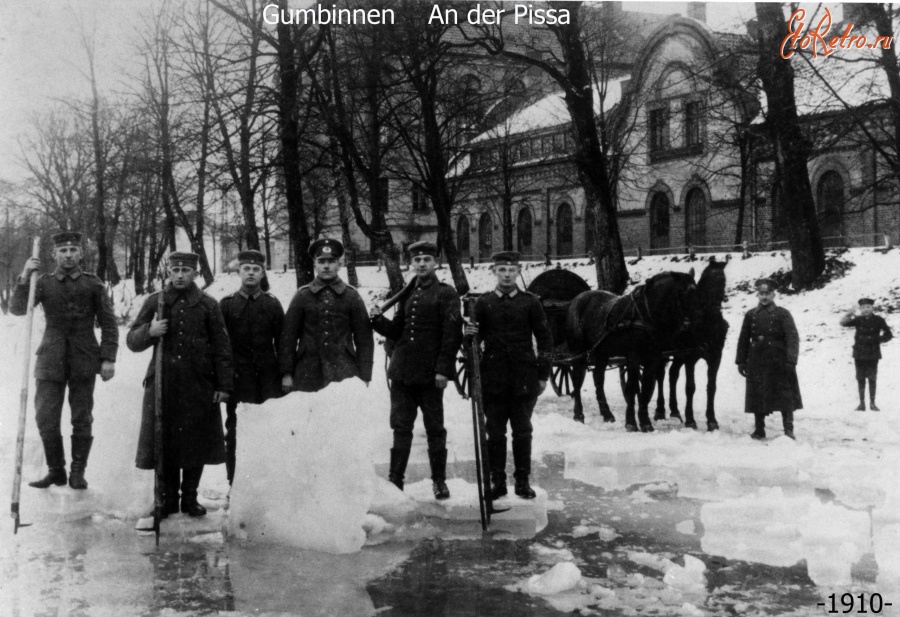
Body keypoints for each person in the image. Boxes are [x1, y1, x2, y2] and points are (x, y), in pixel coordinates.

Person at [127, 252, 233, 517]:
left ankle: (189, 498)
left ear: (195, 273)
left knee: (195, 441)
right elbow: (131, 340)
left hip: (198, 385)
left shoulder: (208, 305)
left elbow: (222, 348)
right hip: (163, 384)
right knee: (165, 441)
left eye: (186, 270)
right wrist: (149, 332)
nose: (180, 275)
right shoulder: (156, 302)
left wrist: (223, 385)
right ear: (169, 272)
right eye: (175, 270)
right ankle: (166, 500)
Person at [10, 231, 118, 490]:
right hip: (50, 356)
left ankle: (77, 472)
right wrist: (25, 277)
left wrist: (108, 359)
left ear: (80, 253)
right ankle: (55, 470)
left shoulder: (93, 284)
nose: (68, 255)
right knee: (45, 416)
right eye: (62, 251)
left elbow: (108, 323)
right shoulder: (43, 282)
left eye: (72, 251)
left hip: (83, 356)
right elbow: (17, 308)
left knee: (82, 417)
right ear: (53, 254)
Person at [370, 241, 461, 500]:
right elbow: (397, 330)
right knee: (401, 428)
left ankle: (439, 482)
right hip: (402, 374)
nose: (421, 264)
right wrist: (378, 320)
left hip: (430, 376)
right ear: (412, 264)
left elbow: (451, 336)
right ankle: (395, 480)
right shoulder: (408, 293)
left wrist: (443, 370)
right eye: (417, 260)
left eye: (427, 260)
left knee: (435, 429)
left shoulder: (446, 293)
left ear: (435, 263)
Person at [465, 251, 553, 499]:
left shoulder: (530, 302)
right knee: (495, 432)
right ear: (493, 272)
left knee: (523, 431)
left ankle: (522, 481)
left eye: (511, 270)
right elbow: (472, 344)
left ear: (519, 272)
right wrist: (469, 334)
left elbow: (545, 339)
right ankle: (498, 481)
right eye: (501, 270)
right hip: (492, 379)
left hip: (524, 378)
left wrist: (543, 374)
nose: (506, 275)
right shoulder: (483, 303)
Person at [219, 250, 285, 485]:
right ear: (238, 271)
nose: (250, 273)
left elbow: (283, 343)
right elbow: (220, 347)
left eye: (256, 269)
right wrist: (224, 381)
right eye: (246, 268)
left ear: (263, 273)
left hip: (269, 381)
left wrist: (285, 374)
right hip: (239, 381)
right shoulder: (226, 305)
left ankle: (267, 485)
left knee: (269, 432)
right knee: (235, 433)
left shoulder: (272, 304)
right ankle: (234, 485)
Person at [280, 238, 374, 393]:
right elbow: (288, 338)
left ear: (339, 264)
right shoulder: (302, 295)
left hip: (344, 372)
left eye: (331, 261)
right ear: (315, 265)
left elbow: (364, 339)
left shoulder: (351, 296)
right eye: (321, 261)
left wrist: (365, 374)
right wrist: (287, 373)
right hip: (308, 372)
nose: (326, 266)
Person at [735, 278, 802, 440]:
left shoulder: (782, 314)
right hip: (756, 359)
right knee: (757, 394)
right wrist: (741, 360)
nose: (764, 297)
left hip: (778, 360)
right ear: (757, 294)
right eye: (761, 293)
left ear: (774, 294)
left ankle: (788, 429)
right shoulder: (751, 314)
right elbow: (743, 338)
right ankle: (759, 429)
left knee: (784, 394)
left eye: (768, 293)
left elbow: (792, 338)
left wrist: (791, 360)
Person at [840, 297, 892, 411]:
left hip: (873, 352)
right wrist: (850, 313)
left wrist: (878, 340)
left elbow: (888, 334)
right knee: (860, 378)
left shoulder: (879, 320)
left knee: (872, 378)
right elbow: (843, 323)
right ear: (860, 309)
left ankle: (872, 403)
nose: (866, 309)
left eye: (868, 307)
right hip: (859, 352)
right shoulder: (858, 319)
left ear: (872, 308)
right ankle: (862, 403)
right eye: (863, 307)